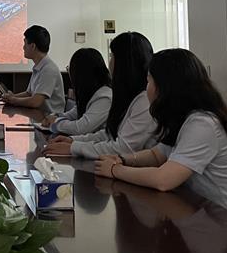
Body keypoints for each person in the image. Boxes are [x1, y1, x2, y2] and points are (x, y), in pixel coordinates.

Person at [92, 48, 227, 218]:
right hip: (199, 209)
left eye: (149, 81)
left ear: (165, 87)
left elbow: (163, 180)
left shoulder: (203, 124)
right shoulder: (183, 117)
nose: (147, 88)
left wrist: (115, 170)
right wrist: (123, 159)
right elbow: (157, 155)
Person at [44, 31, 154, 159]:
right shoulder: (129, 96)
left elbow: (124, 148)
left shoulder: (143, 101)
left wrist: (73, 147)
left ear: (125, 63)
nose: (110, 62)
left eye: (112, 56)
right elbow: (110, 134)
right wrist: (73, 141)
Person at [1, 25, 66, 117]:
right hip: (40, 117)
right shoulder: (40, 66)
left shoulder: (48, 69)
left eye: (25, 43)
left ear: (32, 46)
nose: (23, 47)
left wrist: (14, 100)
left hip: (49, 121)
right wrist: (12, 97)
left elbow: (35, 102)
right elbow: (29, 93)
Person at [50, 48, 112, 135]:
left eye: (69, 69)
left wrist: (57, 124)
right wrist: (57, 116)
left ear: (80, 74)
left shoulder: (105, 97)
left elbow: (81, 128)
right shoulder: (90, 92)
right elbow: (74, 114)